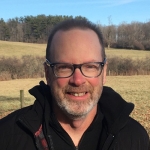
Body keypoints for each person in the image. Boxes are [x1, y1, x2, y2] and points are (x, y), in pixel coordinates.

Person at [0, 19, 149, 150]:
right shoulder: (7, 136)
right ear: (47, 73)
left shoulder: (134, 138)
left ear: (104, 73)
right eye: (64, 67)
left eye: (90, 66)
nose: (77, 80)